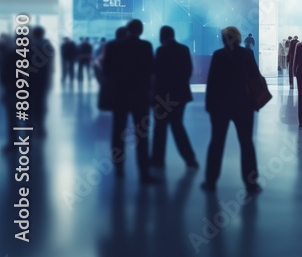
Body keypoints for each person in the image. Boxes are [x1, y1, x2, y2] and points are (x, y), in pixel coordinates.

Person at [203, 26, 263, 193]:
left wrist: (209, 106)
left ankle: (210, 181)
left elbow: (212, 83)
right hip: (244, 105)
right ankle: (251, 183)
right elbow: (255, 79)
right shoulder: (247, 54)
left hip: (220, 106)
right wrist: (256, 103)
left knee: (217, 142)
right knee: (246, 144)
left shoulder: (219, 55)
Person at [100, 19, 158, 184]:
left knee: (118, 132)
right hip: (140, 96)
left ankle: (118, 169)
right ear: (140, 30)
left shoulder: (113, 46)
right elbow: (151, 71)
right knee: (142, 135)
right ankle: (144, 172)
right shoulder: (146, 46)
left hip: (119, 95)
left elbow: (107, 72)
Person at [151, 26, 198, 170]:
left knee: (160, 127)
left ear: (162, 36)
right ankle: (190, 159)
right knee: (177, 125)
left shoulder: (161, 51)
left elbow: (157, 73)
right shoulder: (184, 49)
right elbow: (188, 71)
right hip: (180, 94)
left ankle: (157, 159)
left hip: (163, 95)